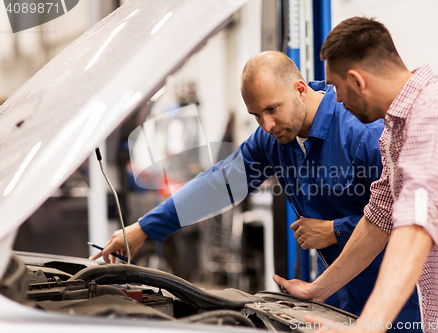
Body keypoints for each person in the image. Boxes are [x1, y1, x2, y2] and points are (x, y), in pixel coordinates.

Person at [91, 51, 420, 330]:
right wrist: (144, 228)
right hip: (334, 292)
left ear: (300, 89)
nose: (267, 125)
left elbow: (414, 224)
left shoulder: (364, 133)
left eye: (272, 109)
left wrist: (336, 230)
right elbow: (219, 185)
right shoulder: (274, 140)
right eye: (256, 115)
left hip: (403, 299)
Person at [273, 17, 438, 333]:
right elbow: (379, 219)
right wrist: (316, 290)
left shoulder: (437, 111)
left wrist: (366, 327)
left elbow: (416, 224)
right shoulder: (396, 130)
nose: (335, 99)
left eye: (337, 88)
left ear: (358, 80)